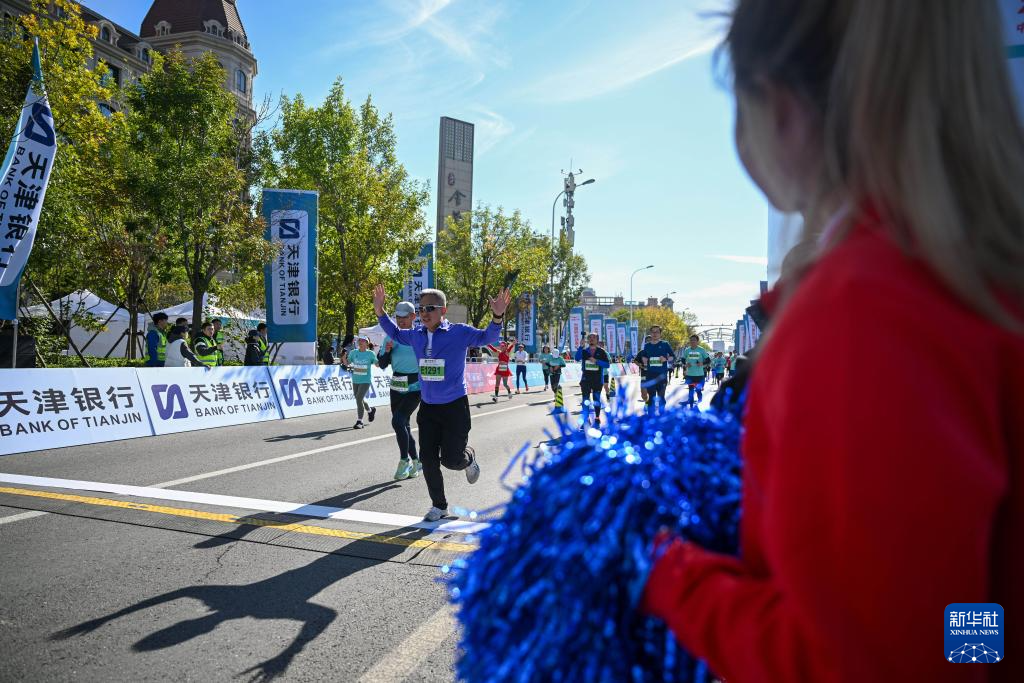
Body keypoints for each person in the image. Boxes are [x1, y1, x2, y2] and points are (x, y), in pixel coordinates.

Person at [640, 2, 1024, 681]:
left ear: (780, 109)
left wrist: (663, 570)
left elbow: (869, 664)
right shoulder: (970, 275)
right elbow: (963, 619)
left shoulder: (864, 311)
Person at [374, 283, 511, 522]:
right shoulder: (416, 335)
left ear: (443, 310)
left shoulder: (459, 332)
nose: (424, 313)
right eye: (421, 308)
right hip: (428, 408)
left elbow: (487, 337)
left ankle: (468, 458)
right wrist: (380, 311)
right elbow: (394, 333)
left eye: (430, 308)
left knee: (451, 460)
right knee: (427, 459)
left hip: (454, 407)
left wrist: (497, 316)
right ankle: (439, 506)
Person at [377, 301, 422, 480]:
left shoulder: (420, 335)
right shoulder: (390, 337)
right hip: (397, 384)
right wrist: (387, 352)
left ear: (413, 317)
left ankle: (404, 460)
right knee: (404, 425)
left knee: (397, 421)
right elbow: (382, 364)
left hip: (415, 385)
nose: (401, 320)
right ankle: (416, 461)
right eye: (398, 317)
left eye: (405, 317)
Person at [636, 325, 674, 413]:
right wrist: (644, 360)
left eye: (657, 332)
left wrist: (666, 359)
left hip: (662, 376)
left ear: (660, 334)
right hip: (650, 376)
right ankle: (651, 417)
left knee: (661, 398)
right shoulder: (647, 346)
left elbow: (672, 357)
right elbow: (644, 356)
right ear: (650, 333)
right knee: (651, 398)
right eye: (653, 332)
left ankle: (661, 416)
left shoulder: (665, 344)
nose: (655, 334)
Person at [575, 333, 610, 428]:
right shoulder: (584, 351)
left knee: (596, 399)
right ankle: (586, 420)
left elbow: (607, 365)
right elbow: (577, 358)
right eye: (589, 337)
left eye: (593, 337)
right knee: (585, 400)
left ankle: (597, 418)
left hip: (597, 379)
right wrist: (580, 347)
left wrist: (596, 361)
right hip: (586, 379)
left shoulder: (602, 352)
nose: (591, 339)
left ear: (597, 340)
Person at [346, 336, 377, 429]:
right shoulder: (353, 352)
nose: (360, 342)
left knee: (359, 399)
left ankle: (360, 422)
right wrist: (343, 357)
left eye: (363, 340)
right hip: (355, 380)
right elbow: (347, 363)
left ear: (367, 343)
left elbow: (377, 364)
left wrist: (381, 360)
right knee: (360, 399)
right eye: (359, 340)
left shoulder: (370, 353)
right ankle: (370, 411)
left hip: (365, 380)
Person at [680, 334, 710, 406]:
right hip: (690, 374)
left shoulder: (701, 350)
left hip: (699, 375)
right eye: (691, 340)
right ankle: (691, 404)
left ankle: (699, 401)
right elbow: (683, 359)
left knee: (698, 390)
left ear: (697, 341)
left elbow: (708, 360)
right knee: (691, 390)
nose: (692, 341)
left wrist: (702, 363)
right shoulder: (687, 350)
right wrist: (685, 364)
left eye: (694, 340)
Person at [490, 338, 514, 402]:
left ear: (505, 347)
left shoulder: (507, 352)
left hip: (505, 369)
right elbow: (493, 349)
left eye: (503, 346)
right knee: (497, 383)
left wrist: (513, 343)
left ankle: (509, 392)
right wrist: (488, 344)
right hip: (499, 369)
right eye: (501, 346)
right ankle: (496, 397)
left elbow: (510, 347)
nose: (501, 347)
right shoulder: (499, 352)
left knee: (505, 384)